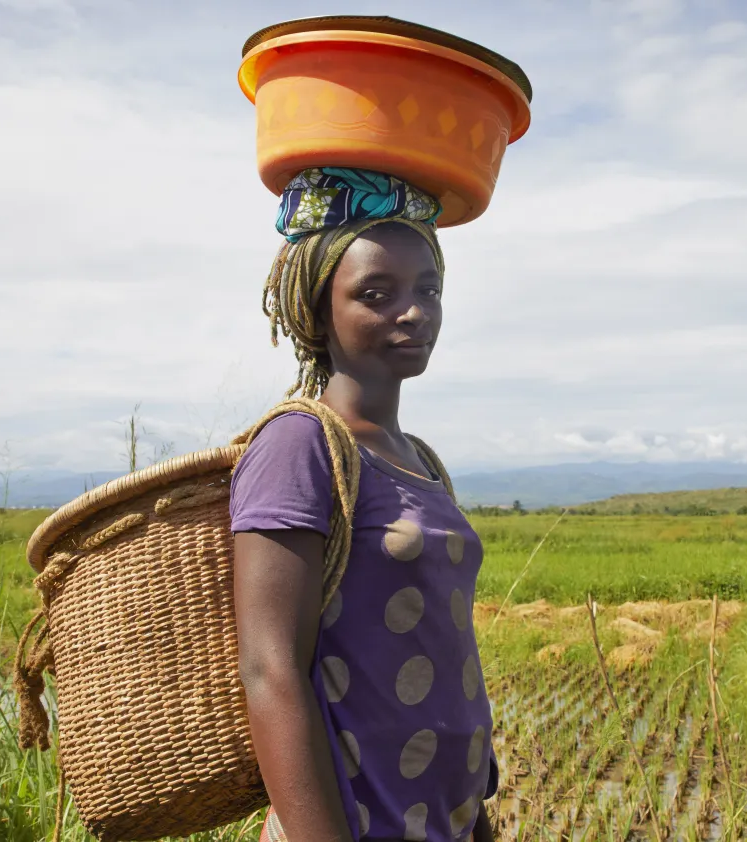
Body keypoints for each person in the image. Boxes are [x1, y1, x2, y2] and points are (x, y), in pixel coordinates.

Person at [229, 168, 497, 842]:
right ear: (319, 309)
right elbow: (270, 668)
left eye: (427, 289)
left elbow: (442, 651)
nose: (414, 311)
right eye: (376, 294)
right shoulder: (299, 444)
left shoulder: (419, 459)